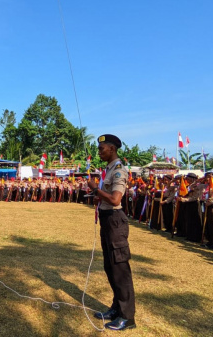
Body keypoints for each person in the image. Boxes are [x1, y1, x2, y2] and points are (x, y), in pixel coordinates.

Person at [89, 134, 135, 331]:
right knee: (110, 267)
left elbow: (115, 200)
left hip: (115, 221)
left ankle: (127, 317)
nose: (99, 152)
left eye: (102, 149)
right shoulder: (107, 170)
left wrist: (96, 190)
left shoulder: (118, 171)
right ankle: (116, 308)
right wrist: (96, 195)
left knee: (120, 269)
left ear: (112, 149)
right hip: (107, 220)